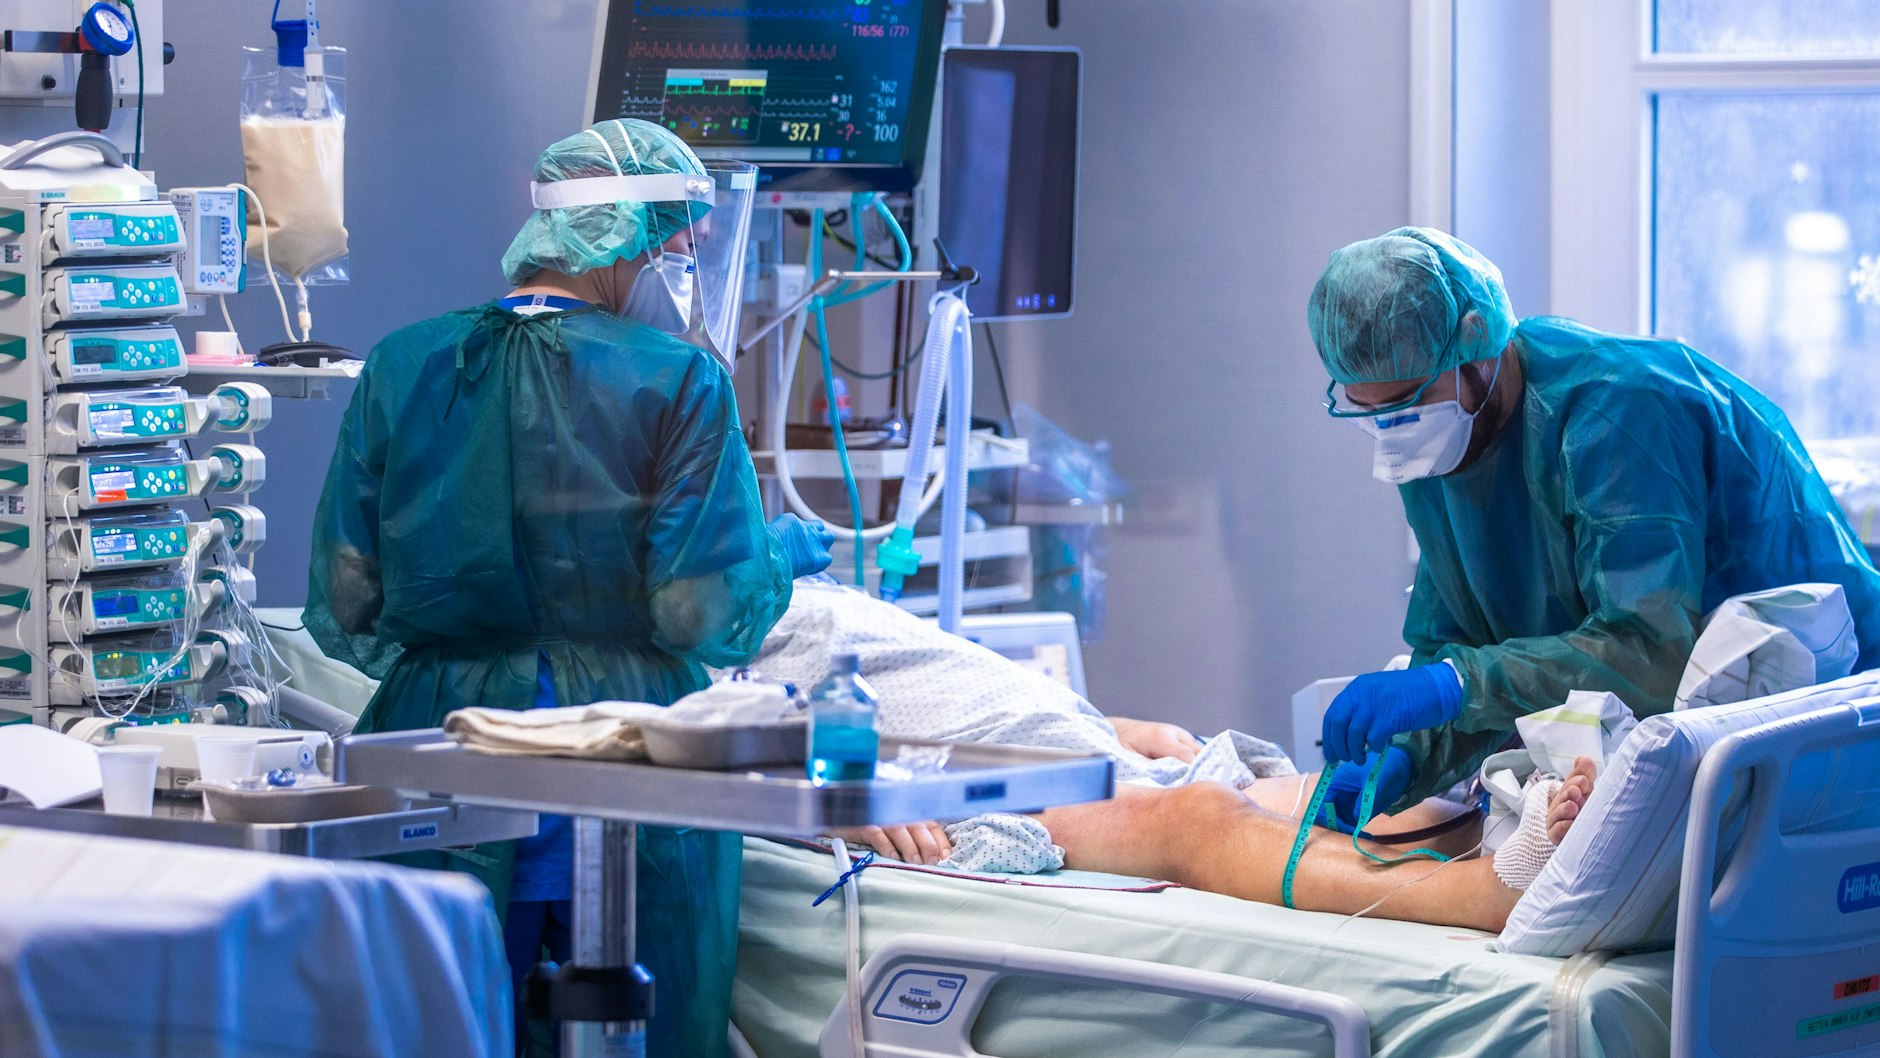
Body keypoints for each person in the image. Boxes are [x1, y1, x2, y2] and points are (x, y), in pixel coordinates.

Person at [304, 118, 832, 1058]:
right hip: (614, 753)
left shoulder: (402, 362)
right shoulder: (678, 380)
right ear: (621, 236)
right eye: (679, 246)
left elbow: (348, 596)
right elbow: (695, 609)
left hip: (436, 746)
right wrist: (779, 552)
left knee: (431, 1024)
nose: (685, 271)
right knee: (618, 1025)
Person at [1305, 226, 1880, 821]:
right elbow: (1463, 647)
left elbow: (1650, 652)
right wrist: (1404, 758)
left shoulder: (1618, 410)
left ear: (1475, 345)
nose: (1393, 434)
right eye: (1369, 413)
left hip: (1823, 724)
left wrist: (1452, 686)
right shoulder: (1441, 444)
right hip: (1691, 744)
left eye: (1406, 402)